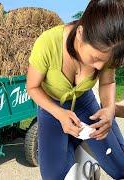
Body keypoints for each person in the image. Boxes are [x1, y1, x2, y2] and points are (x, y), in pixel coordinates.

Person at [26, 0, 124, 179]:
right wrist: (59, 113)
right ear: (80, 33)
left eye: (106, 61)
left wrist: (109, 109)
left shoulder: (108, 48)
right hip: (52, 107)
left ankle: (84, 148)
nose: (101, 66)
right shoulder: (47, 43)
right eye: (95, 58)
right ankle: (77, 147)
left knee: (120, 168)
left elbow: (107, 83)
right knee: (54, 177)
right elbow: (32, 87)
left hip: (85, 103)